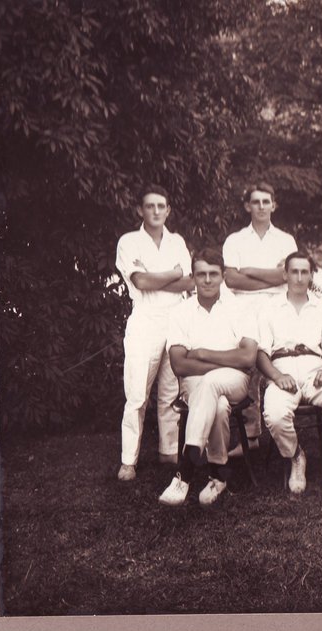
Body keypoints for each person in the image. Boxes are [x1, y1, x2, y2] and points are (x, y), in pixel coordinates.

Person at [158, 247, 258, 506]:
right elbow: (179, 365)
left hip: (235, 380)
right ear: (192, 277)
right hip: (196, 383)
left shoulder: (241, 308)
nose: (207, 280)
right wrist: (224, 359)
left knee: (212, 384)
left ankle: (186, 470)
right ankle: (218, 475)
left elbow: (247, 359)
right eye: (201, 274)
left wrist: (201, 354)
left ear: (223, 276)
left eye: (213, 274)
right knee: (219, 404)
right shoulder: (180, 312)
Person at [257, 252, 322, 508]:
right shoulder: (269, 307)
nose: (299, 277)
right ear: (285, 274)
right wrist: (277, 376)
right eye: (294, 272)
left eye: (304, 272)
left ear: (311, 275)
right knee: (275, 414)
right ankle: (296, 455)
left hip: (314, 368)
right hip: (282, 369)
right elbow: (261, 354)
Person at [115, 184, 194, 482]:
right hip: (145, 318)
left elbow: (189, 284)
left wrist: (166, 278)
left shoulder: (177, 242)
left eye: (161, 206)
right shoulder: (129, 241)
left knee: (171, 391)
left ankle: (168, 450)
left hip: (175, 318)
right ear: (140, 210)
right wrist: (173, 274)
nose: (156, 211)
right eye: (150, 206)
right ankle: (128, 460)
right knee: (136, 392)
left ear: (168, 210)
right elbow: (142, 282)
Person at [222, 182, 299, 449]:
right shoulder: (235, 240)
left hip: (278, 308)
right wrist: (272, 276)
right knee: (248, 369)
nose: (262, 206)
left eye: (266, 201)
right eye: (256, 202)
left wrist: (249, 270)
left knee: (278, 364)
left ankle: (283, 429)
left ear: (274, 205)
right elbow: (231, 279)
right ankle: (251, 435)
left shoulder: (286, 240)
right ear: (248, 206)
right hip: (244, 309)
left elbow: (287, 276)